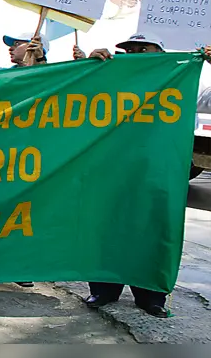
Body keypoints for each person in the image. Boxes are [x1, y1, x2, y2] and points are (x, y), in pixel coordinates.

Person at [71, 31, 170, 318]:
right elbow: (75, 96)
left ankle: (151, 296)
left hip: (156, 172)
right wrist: (89, 66)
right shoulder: (112, 78)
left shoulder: (177, 81)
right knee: (107, 227)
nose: (135, 54)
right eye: (130, 50)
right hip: (112, 170)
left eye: (143, 49)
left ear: (161, 54)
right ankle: (103, 289)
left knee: (151, 231)